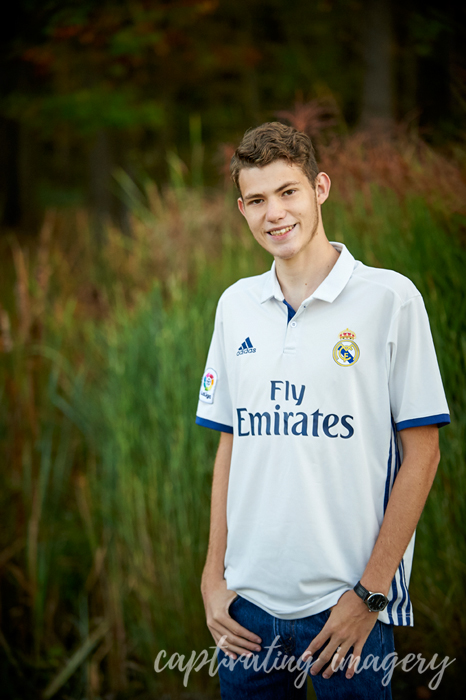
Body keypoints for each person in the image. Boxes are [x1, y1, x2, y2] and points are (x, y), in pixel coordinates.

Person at [195, 122, 450, 699]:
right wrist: (214, 578)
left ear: (321, 189)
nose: (275, 213)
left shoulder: (390, 298)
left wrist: (370, 596)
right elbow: (231, 443)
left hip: (345, 612)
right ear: (242, 208)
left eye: (289, 192)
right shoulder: (236, 306)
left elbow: (424, 453)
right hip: (247, 611)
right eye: (257, 200)